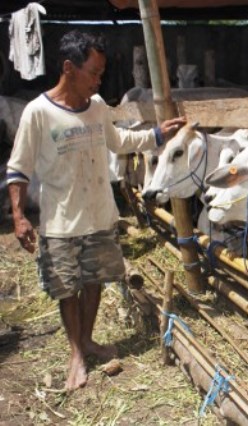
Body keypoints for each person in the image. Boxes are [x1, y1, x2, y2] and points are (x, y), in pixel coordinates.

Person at [6, 30, 186, 391]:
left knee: (94, 281)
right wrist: (19, 215)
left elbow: (119, 141)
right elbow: (19, 168)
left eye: (101, 73)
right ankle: (76, 354)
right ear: (69, 68)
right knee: (65, 289)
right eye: (94, 72)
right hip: (60, 220)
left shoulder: (98, 106)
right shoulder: (38, 113)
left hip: (99, 214)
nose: (99, 80)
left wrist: (157, 135)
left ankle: (86, 339)